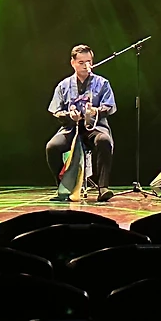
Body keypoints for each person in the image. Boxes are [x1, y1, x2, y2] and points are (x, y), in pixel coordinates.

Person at [45, 44, 117, 203]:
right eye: (81, 62)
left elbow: (109, 106)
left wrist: (95, 111)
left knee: (104, 140)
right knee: (52, 147)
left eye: (89, 62)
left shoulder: (102, 83)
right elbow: (56, 110)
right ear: (73, 63)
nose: (86, 66)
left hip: (94, 127)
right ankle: (63, 187)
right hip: (71, 128)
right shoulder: (63, 85)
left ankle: (103, 187)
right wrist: (69, 115)